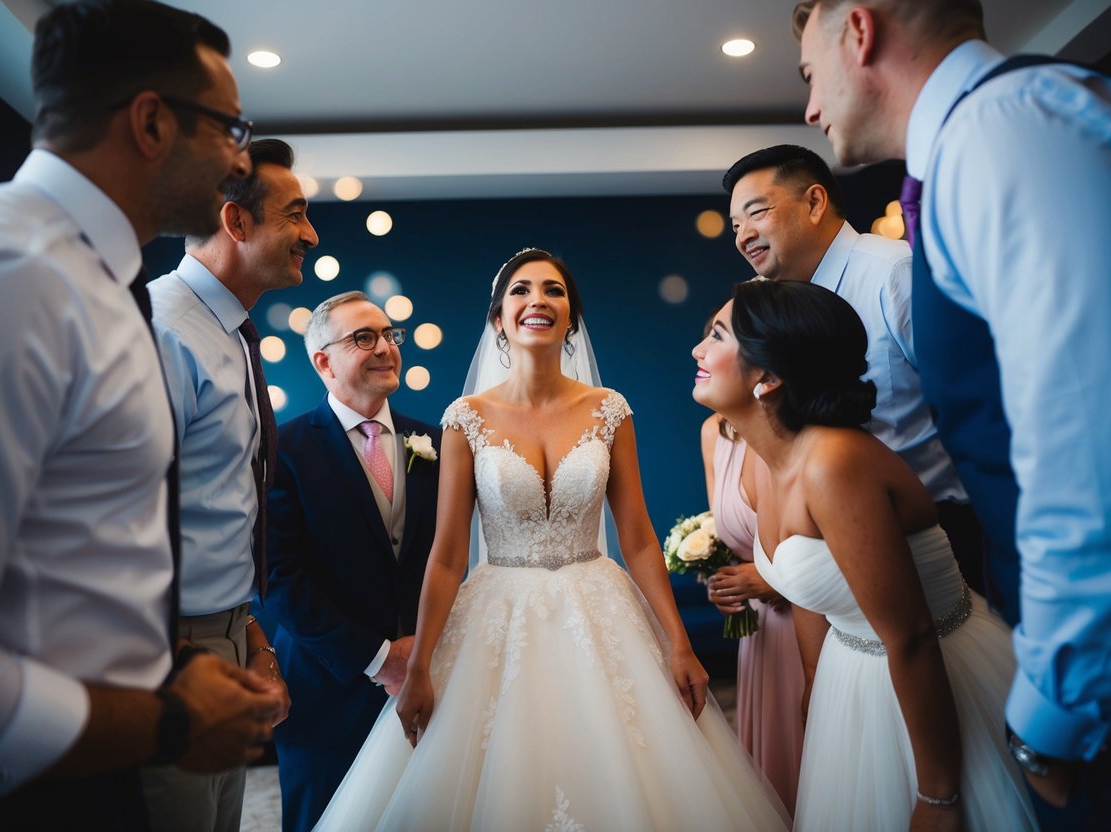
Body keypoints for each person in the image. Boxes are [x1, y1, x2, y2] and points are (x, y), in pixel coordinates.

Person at [0, 1, 282, 829]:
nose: (239, 158)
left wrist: (175, 673)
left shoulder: (99, 284)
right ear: (151, 122)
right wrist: (169, 721)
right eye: (231, 127)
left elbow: (70, 559)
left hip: (108, 759)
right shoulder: (7, 277)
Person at [793, 1, 1111, 823]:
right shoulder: (978, 146)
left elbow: (1091, 451)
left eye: (809, 76)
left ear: (859, 32)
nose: (810, 108)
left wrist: (1056, 715)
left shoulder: (1007, 133)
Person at [313, 249, 791, 831]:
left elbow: (638, 539)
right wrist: (419, 670)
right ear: (498, 319)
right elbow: (446, 556)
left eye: (553, 291)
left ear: (571, 319)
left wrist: (678, 643)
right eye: (520, 290)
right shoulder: (464, 419)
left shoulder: (610, 410)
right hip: (496, 609)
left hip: (599, 604)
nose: (537, 299)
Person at [693, 278, 1035, 830]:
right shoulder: (763, 461)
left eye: (716, 335)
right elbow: (810, 593)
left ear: (770, 377)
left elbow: (912, 636)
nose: (698, 349)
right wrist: (814, 692)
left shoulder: (835, 464)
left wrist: (939, 796)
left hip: (927, 675)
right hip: (845, 678)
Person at [721, 145, 991, 612]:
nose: (744, 236)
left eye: (756, 214)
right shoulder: (761, 304)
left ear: (814, 202)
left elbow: (972, 399)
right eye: (735, 226)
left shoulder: (893, 273)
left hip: (929, 532)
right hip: (821, 540)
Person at [143, 137, 312, 831]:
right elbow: (129, 516)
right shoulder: (163, 330)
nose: (311, 233)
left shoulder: (231, 334)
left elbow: (208, 510)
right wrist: (182, 659)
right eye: (295, 214)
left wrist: (250, 634)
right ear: (236, 222)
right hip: (162, 652)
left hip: (224, 635)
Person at [264, 291, 442, 832]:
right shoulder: (281, 449)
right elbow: (277, 578)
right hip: (326, 687)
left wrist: (420, 652)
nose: (386, 347)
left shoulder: (434, 441)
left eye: (390, 335)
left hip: (427, 680)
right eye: (364, 338)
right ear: (323, 361)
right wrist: (377, 657)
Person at [699, 322, 804, 815]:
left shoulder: (798, 437)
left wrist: (773, 580)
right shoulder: (713, 434)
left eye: (717, 337)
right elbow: (731, 540)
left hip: (809, 627)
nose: (698, 349)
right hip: (757, 634)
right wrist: (722, 582)